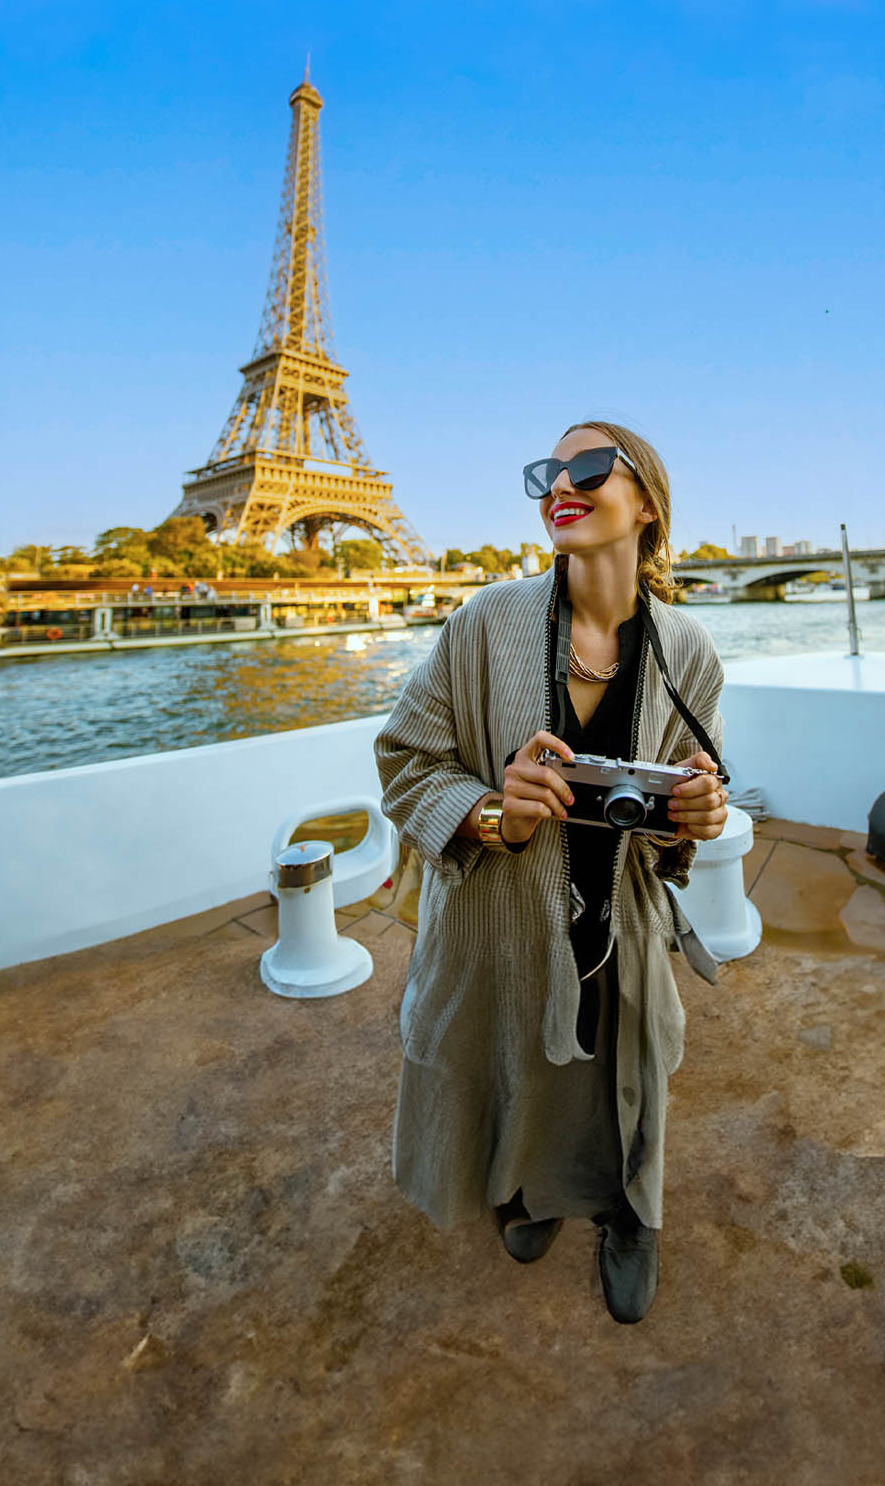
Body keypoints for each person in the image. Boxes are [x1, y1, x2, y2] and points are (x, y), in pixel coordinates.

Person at [373, 418, 732, 1325]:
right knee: (516, 1068)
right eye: (547, 472)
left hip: (622, 921)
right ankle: (532, 1192)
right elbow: (407, 759)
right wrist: (492, 812)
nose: (558, 485)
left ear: (646, 502)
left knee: (624, 1078)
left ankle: (628, 1218)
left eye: (587, 467)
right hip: (501, 919)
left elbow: (696, 786)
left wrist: (698, 811)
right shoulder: (485, 623)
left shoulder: (687, 651)